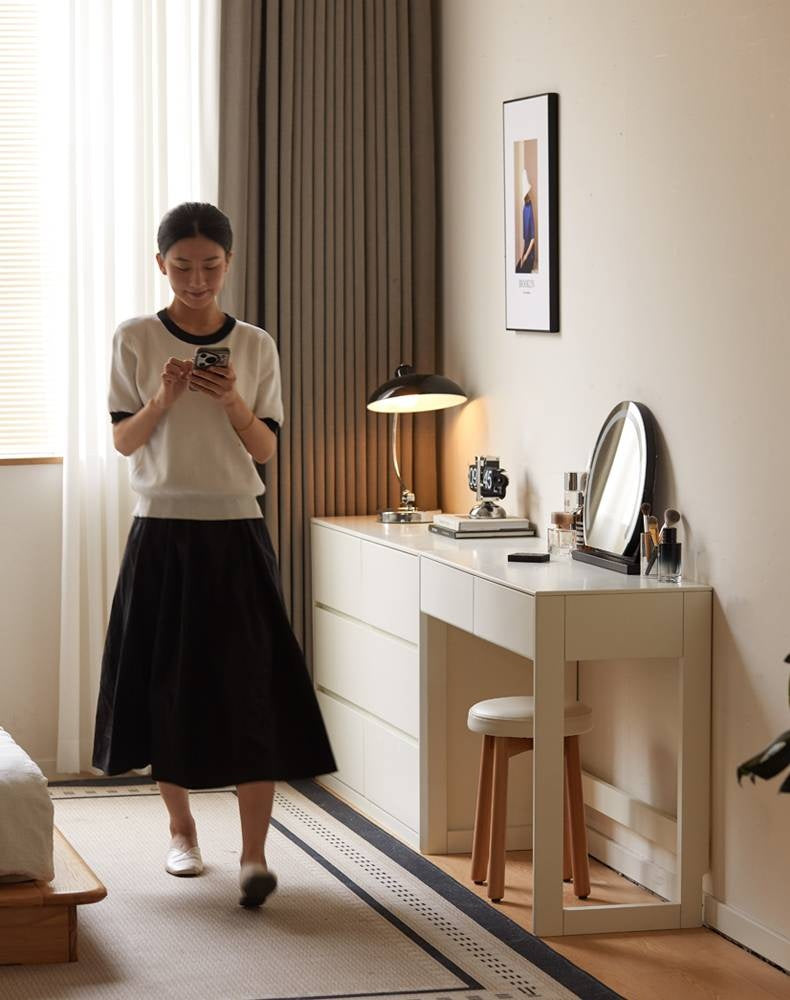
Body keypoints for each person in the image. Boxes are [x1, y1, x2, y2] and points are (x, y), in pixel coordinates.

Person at [92, 202, 336, 908]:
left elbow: (265, 449)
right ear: (161, 264)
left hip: (235, 531)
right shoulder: (135, 338)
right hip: (162, 530)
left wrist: (232, 403)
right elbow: (124, 441)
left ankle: (255, 855)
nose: (196, 281)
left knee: (250, 688)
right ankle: (182, 833)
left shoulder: (254, 345)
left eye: (209, 266)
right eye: (181, 267)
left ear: (229, 263)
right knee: (165, 685)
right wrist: (163, 399)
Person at [515, 168, 535, 273]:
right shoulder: (524, 208)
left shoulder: (530, 207)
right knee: (518, 268)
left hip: (530, 254)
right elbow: (524, 238)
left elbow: (532, 238)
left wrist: (526, 256)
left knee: (522, 270)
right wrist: (521, 257)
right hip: (525, 251)